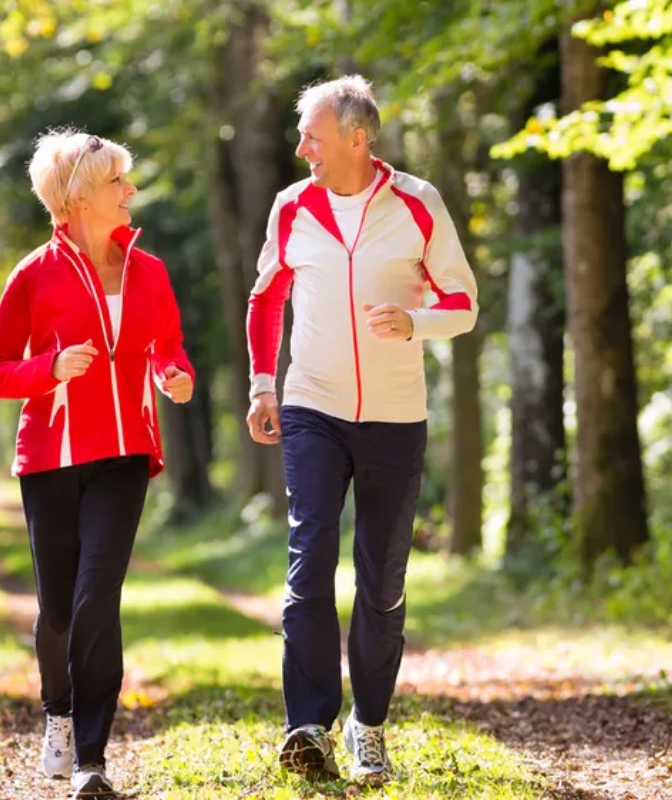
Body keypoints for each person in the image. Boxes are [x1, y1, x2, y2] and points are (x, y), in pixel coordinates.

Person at [245, 75, 478, 782]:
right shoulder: (293, 207)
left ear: (356, 137)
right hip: (312, 405)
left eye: (312, 135)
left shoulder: (418, 204)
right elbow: (266, 299)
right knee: (309, 559)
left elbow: (463, 303)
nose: (301, 148)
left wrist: (416, 322)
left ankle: (368, 726)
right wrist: (263, 386)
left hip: (394, 416)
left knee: (381, 582)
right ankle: (308, 725)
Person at [0, 129, 194, 799]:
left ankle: (93, 759)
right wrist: (49, 368)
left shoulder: (149, 271)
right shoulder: (33, 275)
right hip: (51, 456)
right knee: (61, 611)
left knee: (99, 599)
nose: (130, 191)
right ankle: (59, 713)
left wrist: (174, 374)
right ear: (75, 198)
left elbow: (170, 348)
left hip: (126, 454)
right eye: (116, 182)